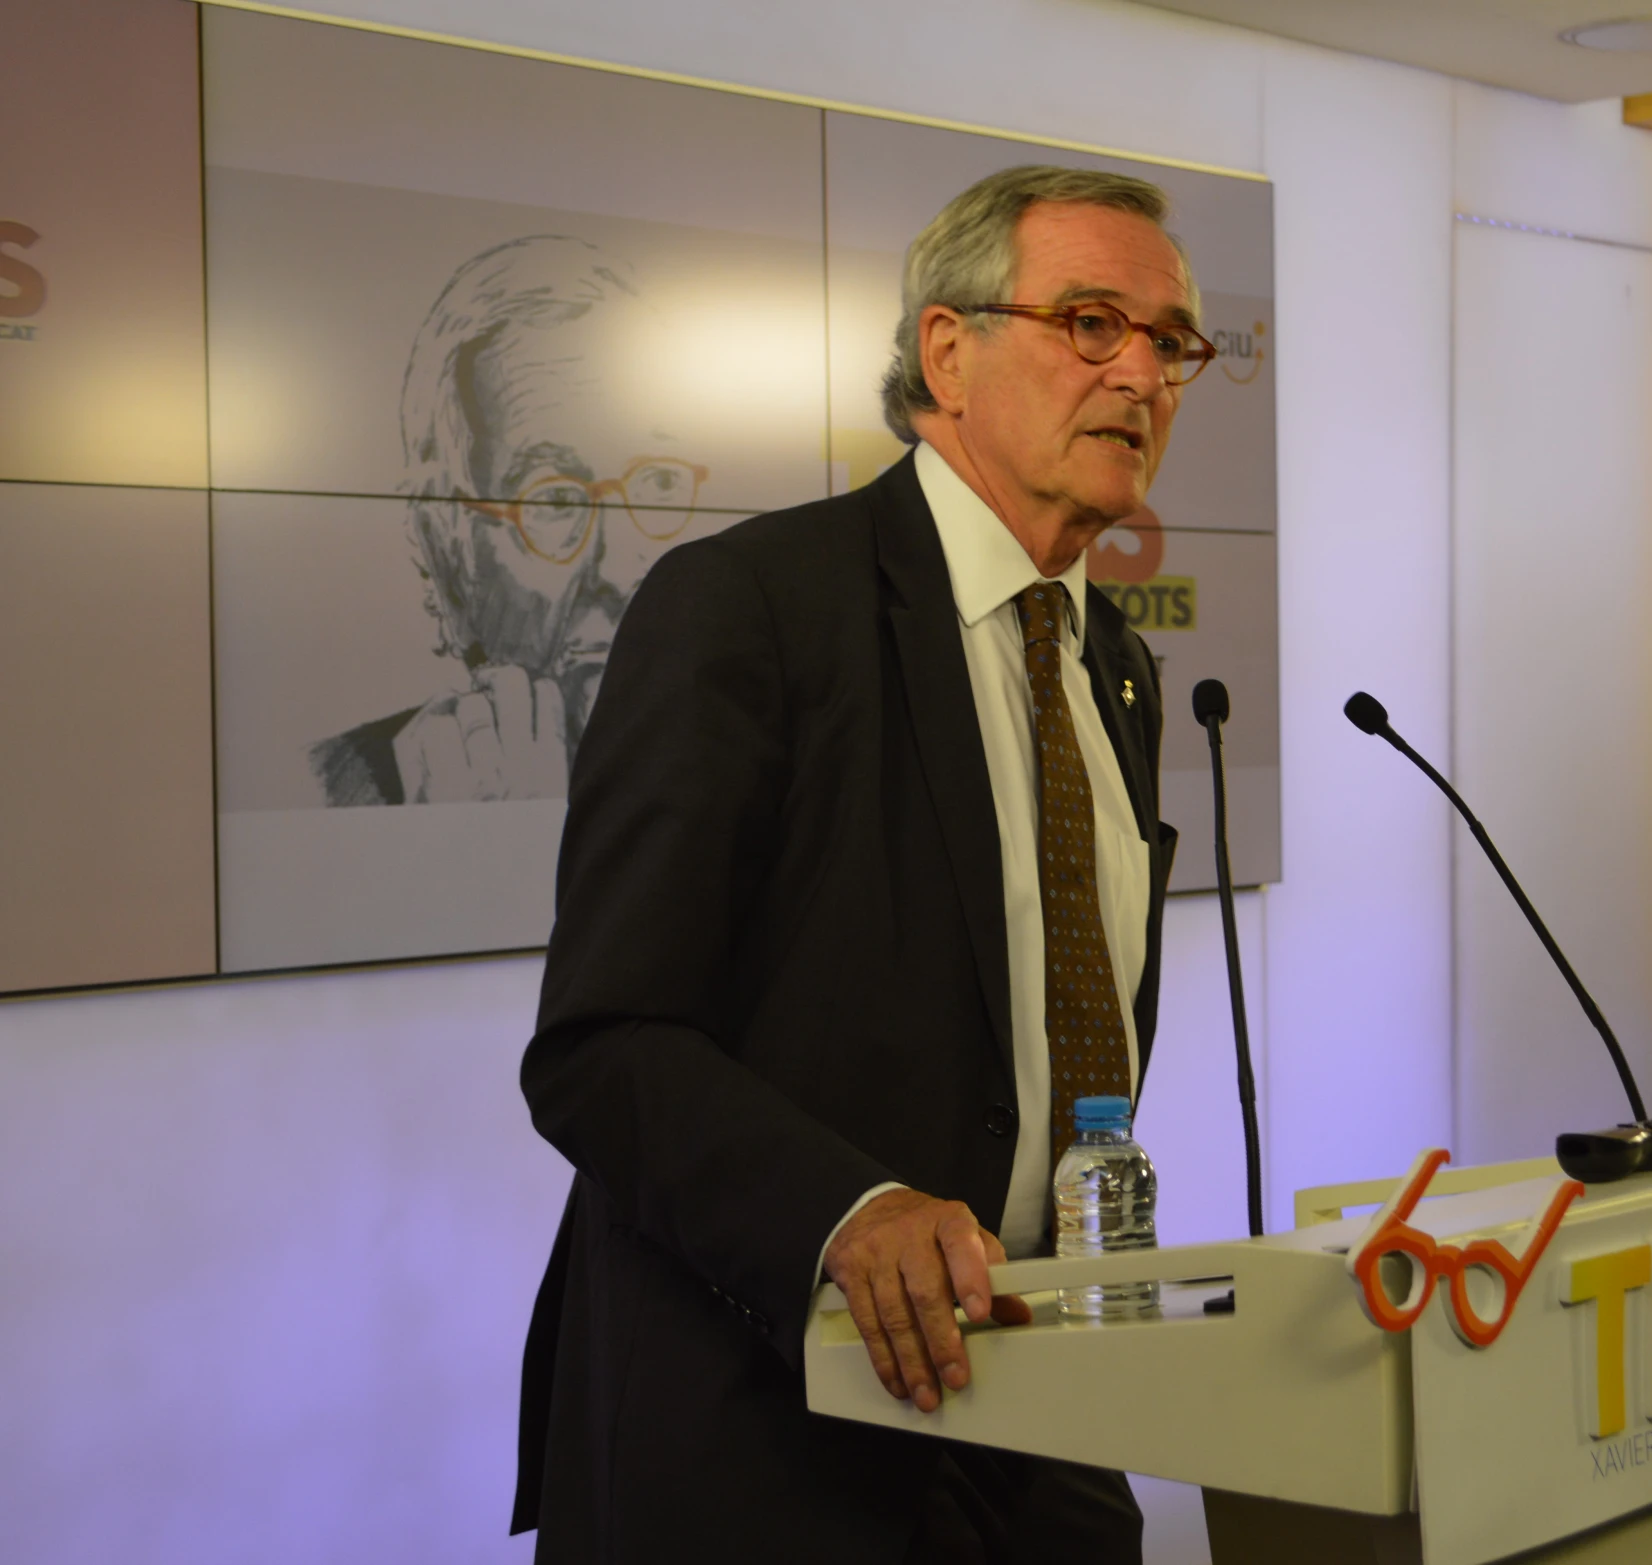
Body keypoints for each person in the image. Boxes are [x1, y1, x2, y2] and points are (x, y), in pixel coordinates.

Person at [511, 165, 1216, 1562]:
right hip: (767, 1419)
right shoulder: (753, 608)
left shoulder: (1115, 667)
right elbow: (602, 1042)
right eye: (1090, 322)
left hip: (1038, 1392)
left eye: (1170, 341)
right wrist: (847, 1209)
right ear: (947, 352)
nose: (1139, 372)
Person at [308, 235, 705, 806]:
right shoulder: (331, 794)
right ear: (443, 544)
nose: (620, 571)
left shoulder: (766, 750)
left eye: (659, 485)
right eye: (554, 501)